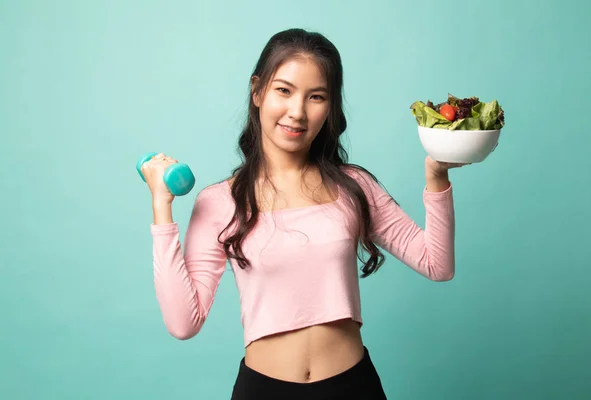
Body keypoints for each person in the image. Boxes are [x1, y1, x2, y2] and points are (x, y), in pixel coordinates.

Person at [141, 28, 463, 400]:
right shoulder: (219, 202)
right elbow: (184, 323)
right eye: (284, 90)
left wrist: (437, 178)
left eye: (316, 97)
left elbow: (437, 265)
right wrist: (161, 208)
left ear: (330, 108)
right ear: (257, 91)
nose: (297, 111)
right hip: (263, 391)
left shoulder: (353, 186)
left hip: (352, 387)